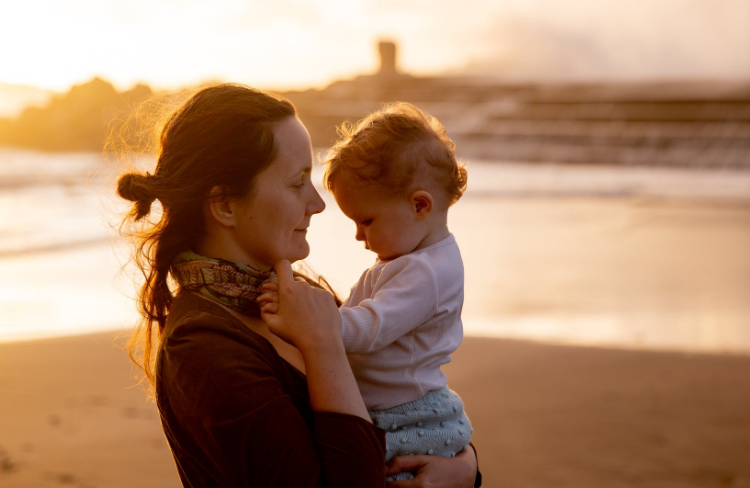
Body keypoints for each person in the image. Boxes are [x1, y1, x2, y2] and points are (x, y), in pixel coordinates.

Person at [116, 84, 480, 487]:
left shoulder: (292, 293)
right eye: (296, 182)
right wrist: (322, 345)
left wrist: (464, 468)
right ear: (224, 205)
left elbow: (409, 414)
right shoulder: (203, 349)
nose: (317, 202)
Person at [259, 102, 472, 481]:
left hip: (407, 415)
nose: (358, 235)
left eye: (366, 220)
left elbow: (372, 325)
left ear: (420, 205)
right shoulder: (413, 258)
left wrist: (314, 322)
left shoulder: (427, 271)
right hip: (392, 407)